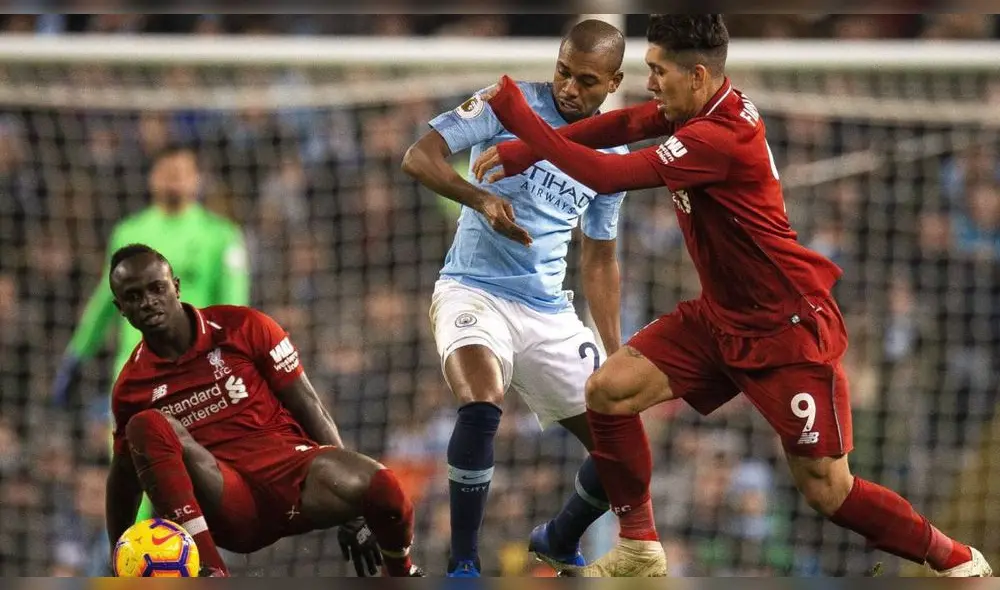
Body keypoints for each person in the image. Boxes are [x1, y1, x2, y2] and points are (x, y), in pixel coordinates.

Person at [475, 14, 992, 578]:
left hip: (785, 330)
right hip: (720, 316)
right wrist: (526, 151)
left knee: (828, 491)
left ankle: (957, 560)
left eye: (657, 71)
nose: (650, 83)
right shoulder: (700, 107)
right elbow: (621, 125)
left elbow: (603, 174)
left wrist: (519, 118)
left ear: (697, 76)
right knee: (609, 390)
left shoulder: (719, 138)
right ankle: (639, 546)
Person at [401, 19, 628, 577]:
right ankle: (462, 566)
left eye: (587, 80)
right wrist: (478, 198)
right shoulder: (507, 103)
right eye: (563, 72)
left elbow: (599, 257)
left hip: (549, 310)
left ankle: (559, 535)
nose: (570, 88)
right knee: (481, 401)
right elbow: (418, 156)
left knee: (624, 444)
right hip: (472, 290)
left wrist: (618, 351)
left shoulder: (614, 152)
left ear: (615, 83)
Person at [104, 244, 423, 577]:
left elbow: (307, 403)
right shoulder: (130, 388)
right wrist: (117, 560)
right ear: (120, 308)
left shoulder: (243, 326)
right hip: (229, 501)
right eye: (134, 296)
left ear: (177, 287)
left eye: (157, 288)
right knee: (145, 425)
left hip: (292, 475)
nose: (148, 302)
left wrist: (353, 514)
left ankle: (402, 572)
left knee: (383, 486)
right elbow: (123, 479)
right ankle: (212, 571)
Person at [53, 144, 251, 524]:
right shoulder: (130, 231)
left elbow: (234, 313)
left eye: (182, 171)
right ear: (152, 178)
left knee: (179, 481)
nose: (174, 178)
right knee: (132, 479)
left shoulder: (221, 236)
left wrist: (231, 368)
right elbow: (102, 301)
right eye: (166, 171)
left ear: (197, 179)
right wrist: (77, 354)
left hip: (193, 378)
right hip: (134, 378)